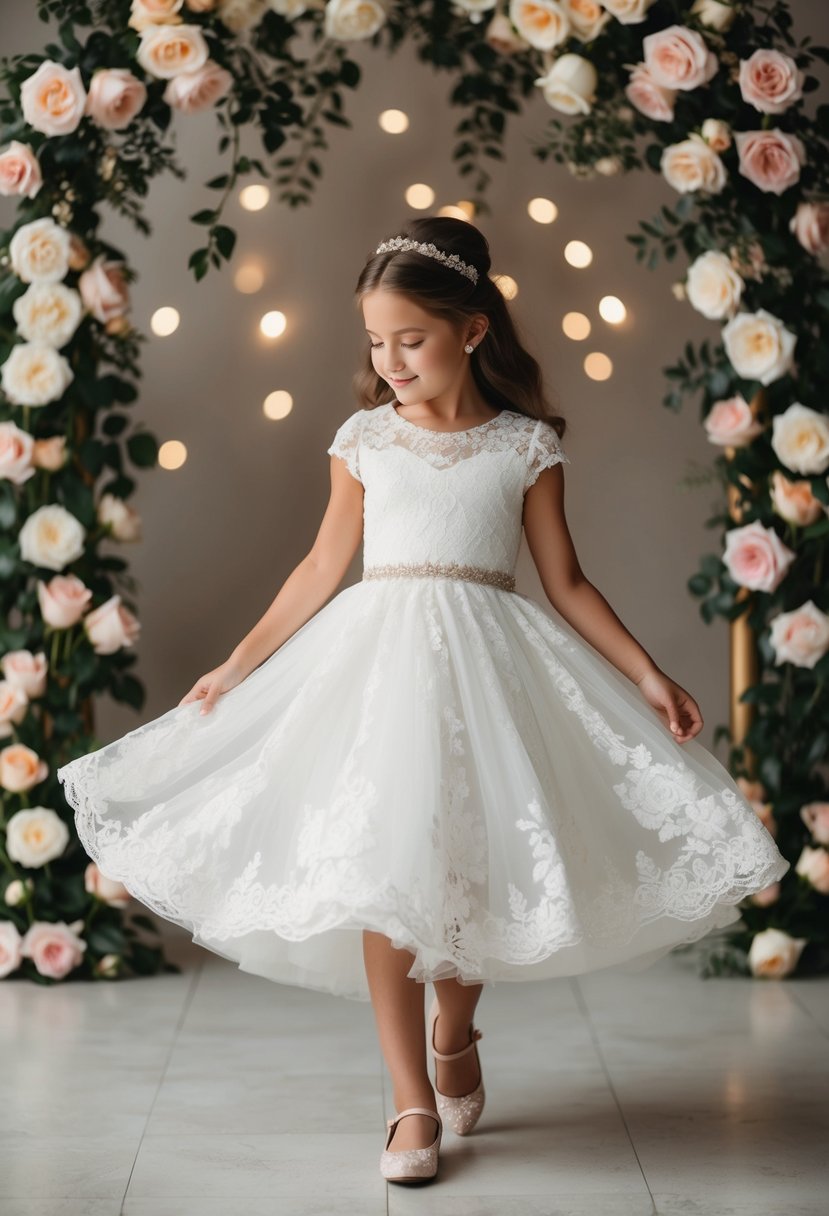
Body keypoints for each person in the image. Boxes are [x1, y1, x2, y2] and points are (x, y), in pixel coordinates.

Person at [57, 216, 790, 1186]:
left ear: (473, 330)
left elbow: (565, 581)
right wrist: (237, 664)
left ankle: (454, 1030)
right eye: (375, 341)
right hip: (378, 669)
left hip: (490, 670)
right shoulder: (364, 438)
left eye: (412, 337)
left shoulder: (525, 446)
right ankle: (410, 1102)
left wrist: (646, 674)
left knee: (466, 871)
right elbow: (322, 564)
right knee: (382, 865)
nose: (389, 359)